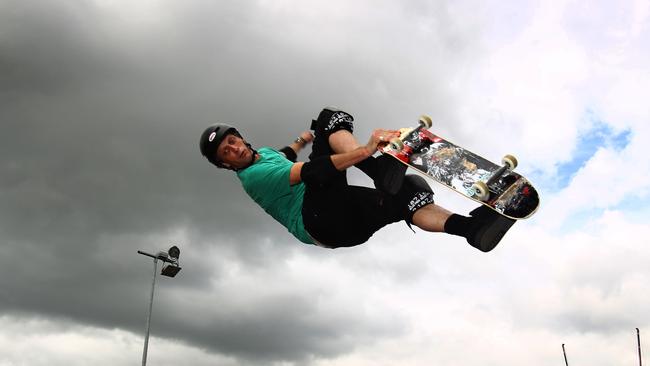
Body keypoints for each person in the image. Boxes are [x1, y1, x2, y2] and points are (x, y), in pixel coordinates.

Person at [199, 107, 515, 252]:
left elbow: (284, 153)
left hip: (346, 228)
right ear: (224, 164)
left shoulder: (266, 155)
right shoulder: (253, 178)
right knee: (329, 119)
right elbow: (312, 173)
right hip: (318, 220)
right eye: (225, 152)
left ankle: (472, 230)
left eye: (232, 141)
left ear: (240, 138)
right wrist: (365, 151)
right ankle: (378, 167)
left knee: (409, 193)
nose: (233, 148)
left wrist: (301, 140)